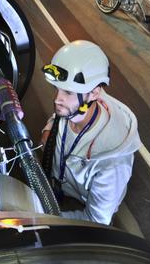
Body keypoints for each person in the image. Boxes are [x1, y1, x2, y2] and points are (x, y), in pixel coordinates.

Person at [40, 40, 141, 225]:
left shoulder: (112, 163)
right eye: (56, 89)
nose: (57, 100)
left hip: (80, 201)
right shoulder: (75, 106)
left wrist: (43, 220)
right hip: (61, 184)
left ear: (94, 94)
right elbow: (58, 117)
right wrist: (49, 129)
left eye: (68, 92)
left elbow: (95, 222)